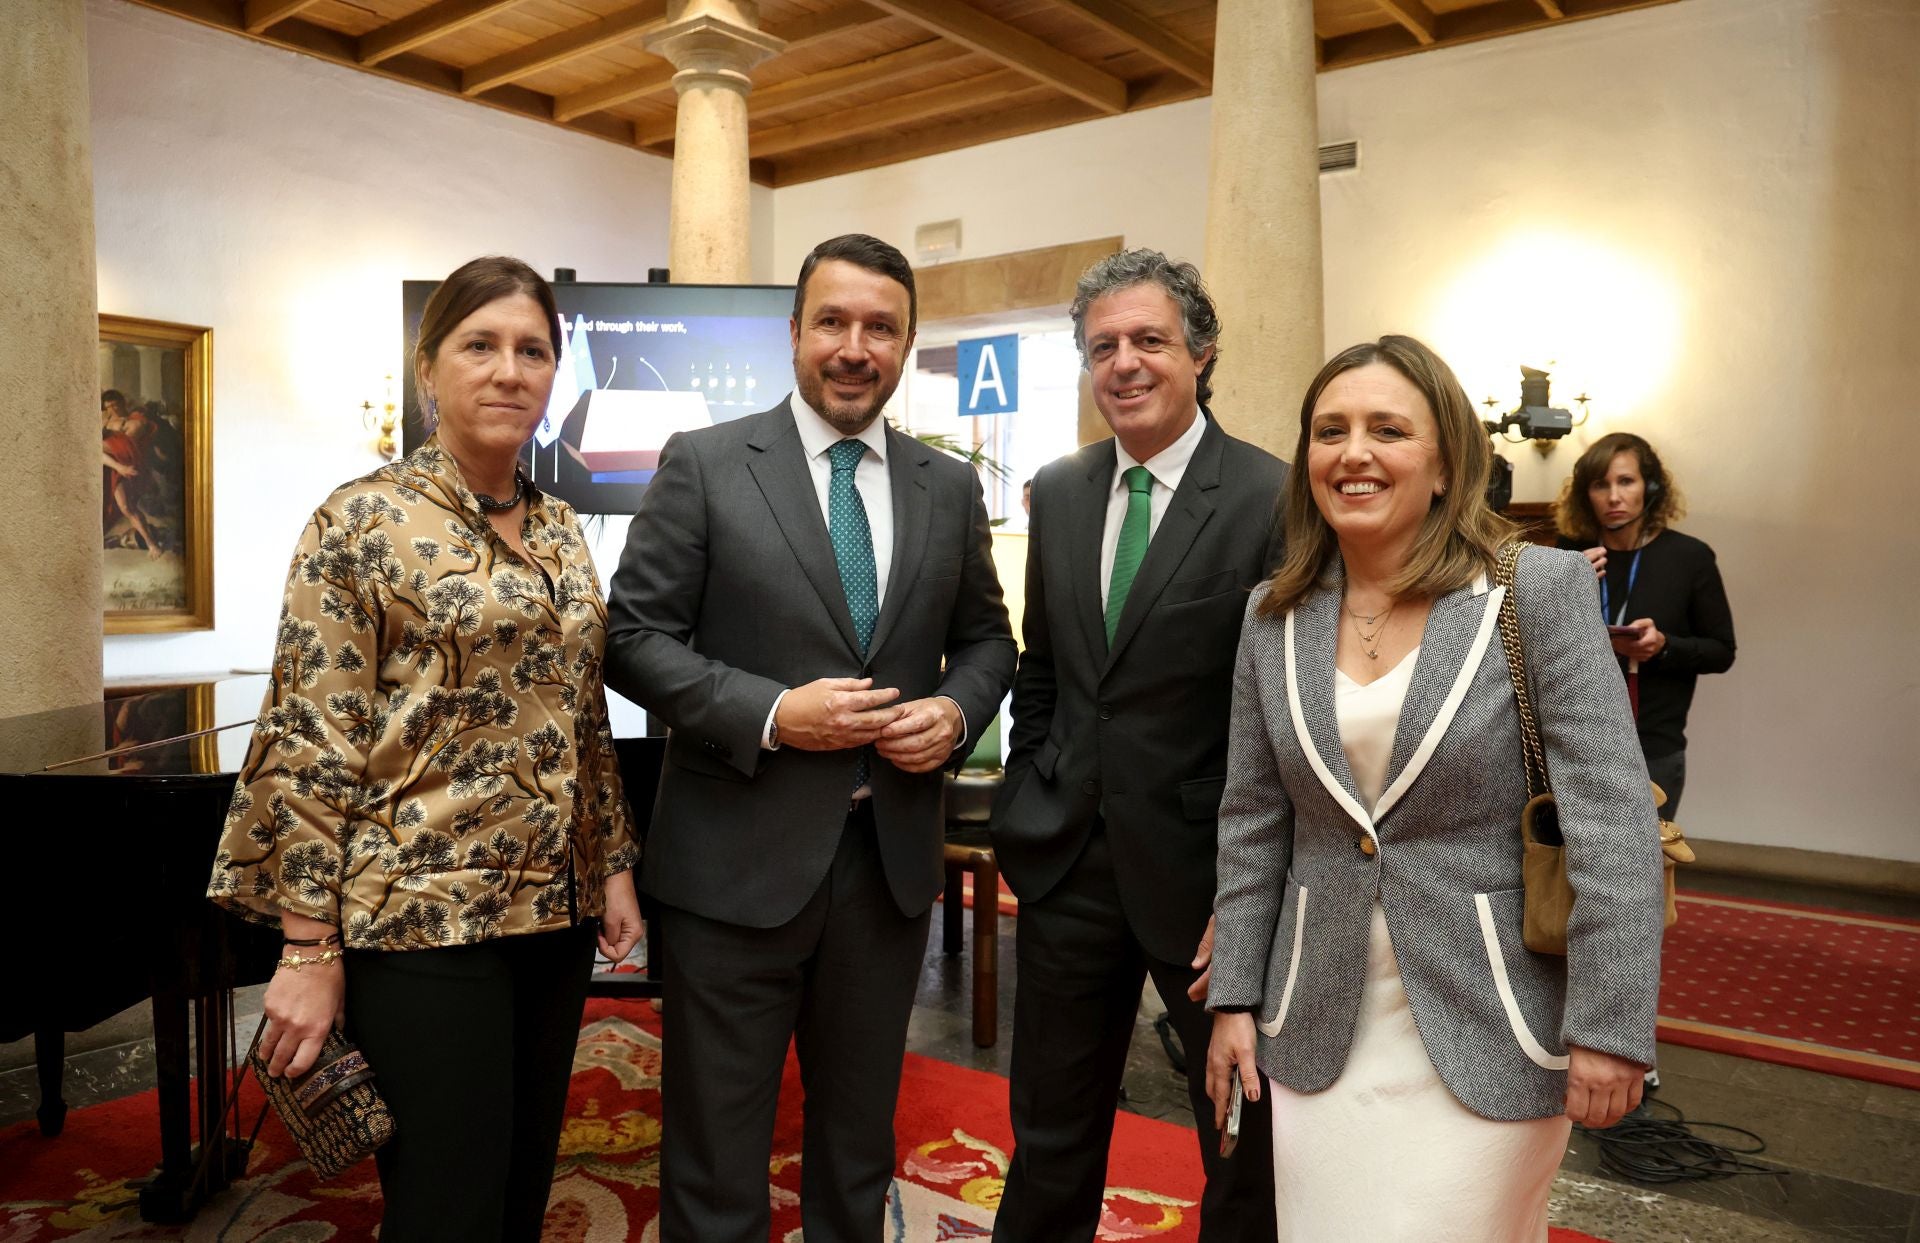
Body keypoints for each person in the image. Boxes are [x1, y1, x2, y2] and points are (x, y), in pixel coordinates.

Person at [207, 255, 643, 1241]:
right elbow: (309, 737)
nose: (508, 370)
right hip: (417, 914)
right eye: (479, 345)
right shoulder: (360, 520)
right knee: (448, 1198)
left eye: (533, 350)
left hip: (554, 908)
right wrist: (307, 944)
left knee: (524, 1181)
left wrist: (612, 862)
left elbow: (578, 713)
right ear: (428, 368)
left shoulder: (566, 529)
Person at [1205, 336, 1666, 1241]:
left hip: (1487, 1014)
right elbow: (1254, 821)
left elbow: (1612, 821)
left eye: (1388, 429)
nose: (1354, 453)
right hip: (1319, 1023)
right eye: (1329, 430)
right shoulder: (1275, 615)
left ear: (1448, 461)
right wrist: (1233, 997)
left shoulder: (1536, 588)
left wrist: (1613, 1026)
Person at [603, 233, 1015, 1243]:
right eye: (832, 321)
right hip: (731, 874)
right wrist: (774, 714)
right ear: (794, 332)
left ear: (907, 343)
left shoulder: (946, 487)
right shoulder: (705, 464)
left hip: (885, 875)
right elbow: (630, 639)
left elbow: (987, 641)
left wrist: (958, 711)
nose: (853, 346)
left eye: (880, 326)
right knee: (716, 1151)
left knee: (857, 1145)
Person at [989, 249, 1284, 1243]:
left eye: (1149, 340)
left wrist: (1257, 895)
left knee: (1243, 1139)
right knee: (1050, 1129)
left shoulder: (1271, 498)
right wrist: (1032, 791)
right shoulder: (1062, 490)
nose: (1125, 363)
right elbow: (1047, 669)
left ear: (1200, 352)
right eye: (1103, 345)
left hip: (1207, 883)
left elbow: (1286, 718)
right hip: (1069, 861)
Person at [1555, 431, 1735, 817]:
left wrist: (1664, 646)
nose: (1613, 497)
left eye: (1626, 481)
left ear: (1650, 487)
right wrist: (1563, 586)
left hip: (1652, 746)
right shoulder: (1569, 554)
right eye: (1600, 485)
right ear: (1585, 495)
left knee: (1646, 869)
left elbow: (1722, 652)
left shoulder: (1690, 557)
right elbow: (1534, 643)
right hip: (1575, 742)